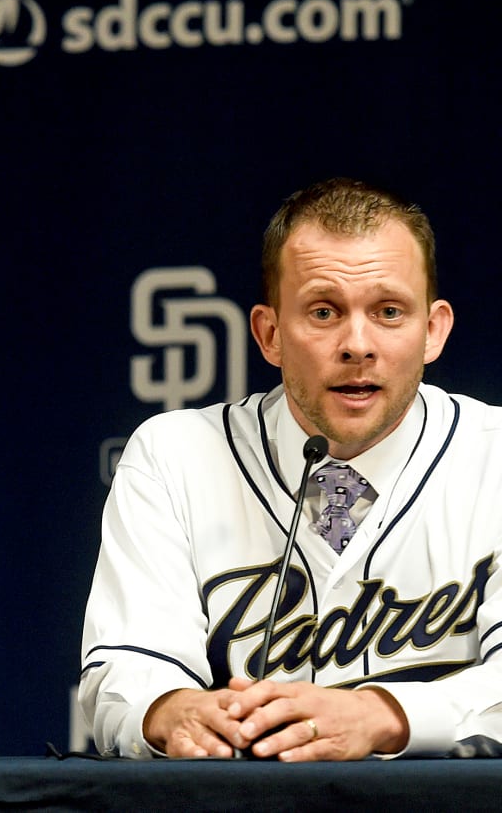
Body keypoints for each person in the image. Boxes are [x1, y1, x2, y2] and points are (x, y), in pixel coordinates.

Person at [79, 176, 502, 761]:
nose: (358, 344)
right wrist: (171, 710)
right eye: (324, 312)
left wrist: (383, 715)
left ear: (433, 331)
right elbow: (128, 669)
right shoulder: (174, 455)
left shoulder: (494, 454)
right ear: (270, 333)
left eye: (388, 311)